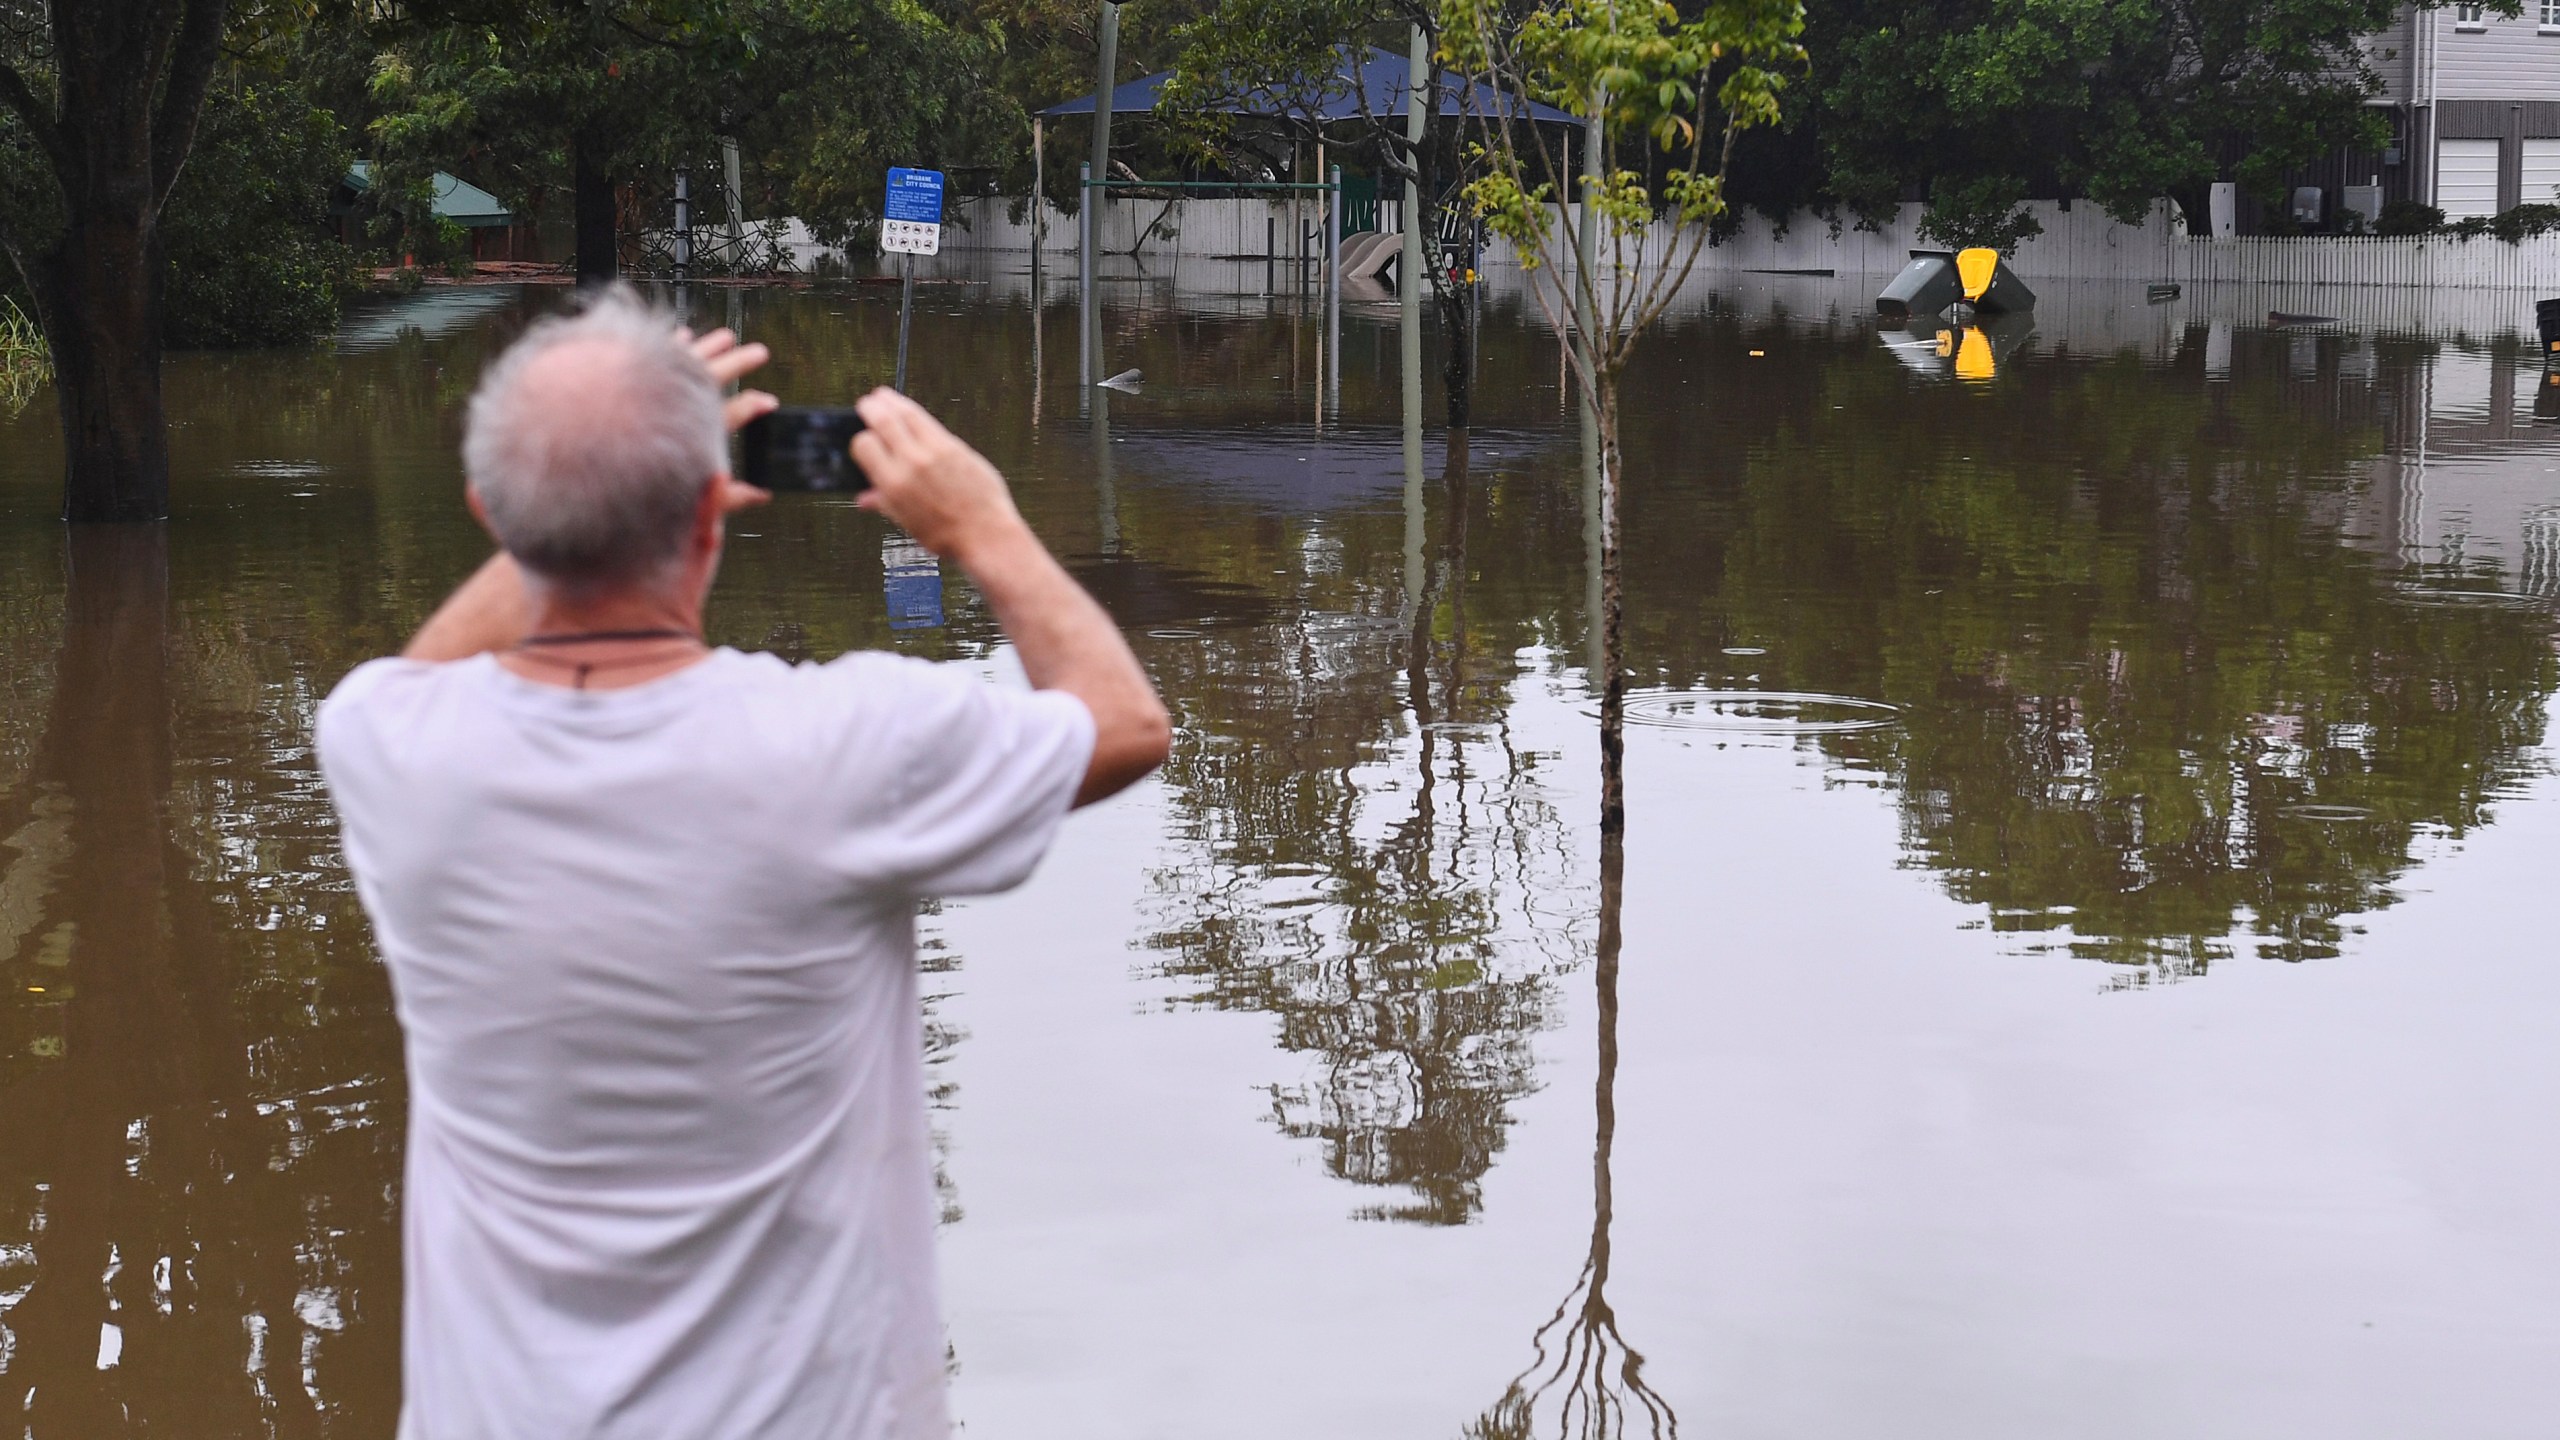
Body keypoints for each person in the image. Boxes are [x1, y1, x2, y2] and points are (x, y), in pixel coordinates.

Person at [316, 287, 1170, 1440]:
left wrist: (598, 469)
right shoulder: (847, 747)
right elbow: (1122, 724)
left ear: (488, 516)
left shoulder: (387, 746)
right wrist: (982, 524)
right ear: (713, 518)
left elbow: (428, 676)